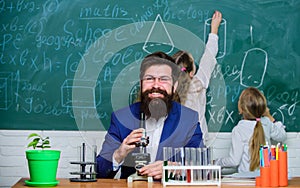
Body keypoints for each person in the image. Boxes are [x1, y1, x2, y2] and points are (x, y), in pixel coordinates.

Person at [96, 53, 203, 180]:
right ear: (141, 84)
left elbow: (202, 167)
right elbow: (99, 172)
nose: (156, 85)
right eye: (149, 79)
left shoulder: (188, 119)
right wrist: (119, 154)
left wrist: (177, 169)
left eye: (163, 79)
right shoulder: (121, 118)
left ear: (174, 87)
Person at [172, 10, 223, 146]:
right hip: (198, 141)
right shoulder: (199, 82)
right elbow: (209, 55)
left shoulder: (167, 89)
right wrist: (214, 29)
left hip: (174, 142)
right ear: (191, 72)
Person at [214, 87, 287, 173]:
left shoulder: (239, 130)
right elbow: (282, 136)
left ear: (241, 109)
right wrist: (269, 116)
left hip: (245, 179)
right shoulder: (267, 123)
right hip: (265, 178)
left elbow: (234, 161)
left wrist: (217, 162)